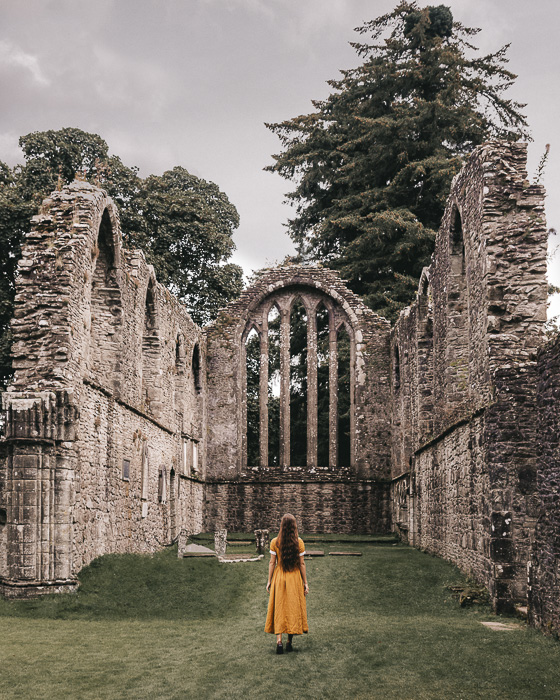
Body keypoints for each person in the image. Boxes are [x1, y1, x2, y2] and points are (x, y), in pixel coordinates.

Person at [265, 513, 309, 654]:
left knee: (279, 607)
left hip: (279, 576)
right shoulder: (299, 543)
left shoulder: (275, 542)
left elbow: (272, 562)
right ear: (294, 526)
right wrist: (306, 582)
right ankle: (289, 642)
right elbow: (302, 563)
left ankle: (279, 642)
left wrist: (269, 580)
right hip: (294, 578)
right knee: (292, 607)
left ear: (282, 526)